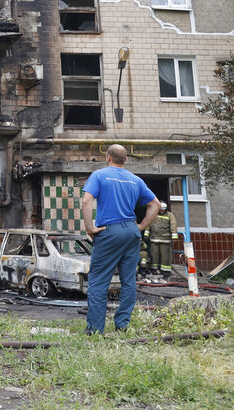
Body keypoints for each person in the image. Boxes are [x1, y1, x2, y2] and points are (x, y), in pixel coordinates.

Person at [81, 144, 159, 335]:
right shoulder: (136, 180)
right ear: (125, 159)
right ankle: (122, 325)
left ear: (108, 157)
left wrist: (90, 227)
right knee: (129, 280)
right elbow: (155, 204)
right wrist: (140, 227)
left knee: (99, 281)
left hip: (109, 232)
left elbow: (86, 201)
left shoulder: (99, 175)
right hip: (131, 232)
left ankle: (95, 329)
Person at [144, 201, 178, 283]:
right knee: (154, 255)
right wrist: (146, 234)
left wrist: (174, 236)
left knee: (165, 256)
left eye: (163, 210)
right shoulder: (153, 214)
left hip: (165, 239)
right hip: (154, 238)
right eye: (161, 209)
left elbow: (173, 225)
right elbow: (148, 224)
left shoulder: (170, 215)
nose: (162, 211)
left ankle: (165, 270)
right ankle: (154, 269)